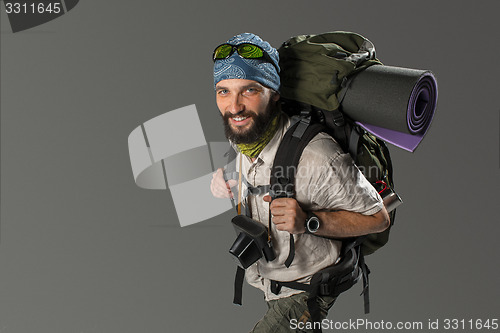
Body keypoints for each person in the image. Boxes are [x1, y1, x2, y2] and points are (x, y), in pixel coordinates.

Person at [210, 33, 389, 333]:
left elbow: (379, 218)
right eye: (223, 91)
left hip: (306, 292)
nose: (234, 106)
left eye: (250, 90)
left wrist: (310, 221)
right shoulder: (243, 138)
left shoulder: (318, 156)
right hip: (272, 282)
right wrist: (224, 180)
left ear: (274, 93)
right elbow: (253, 171)